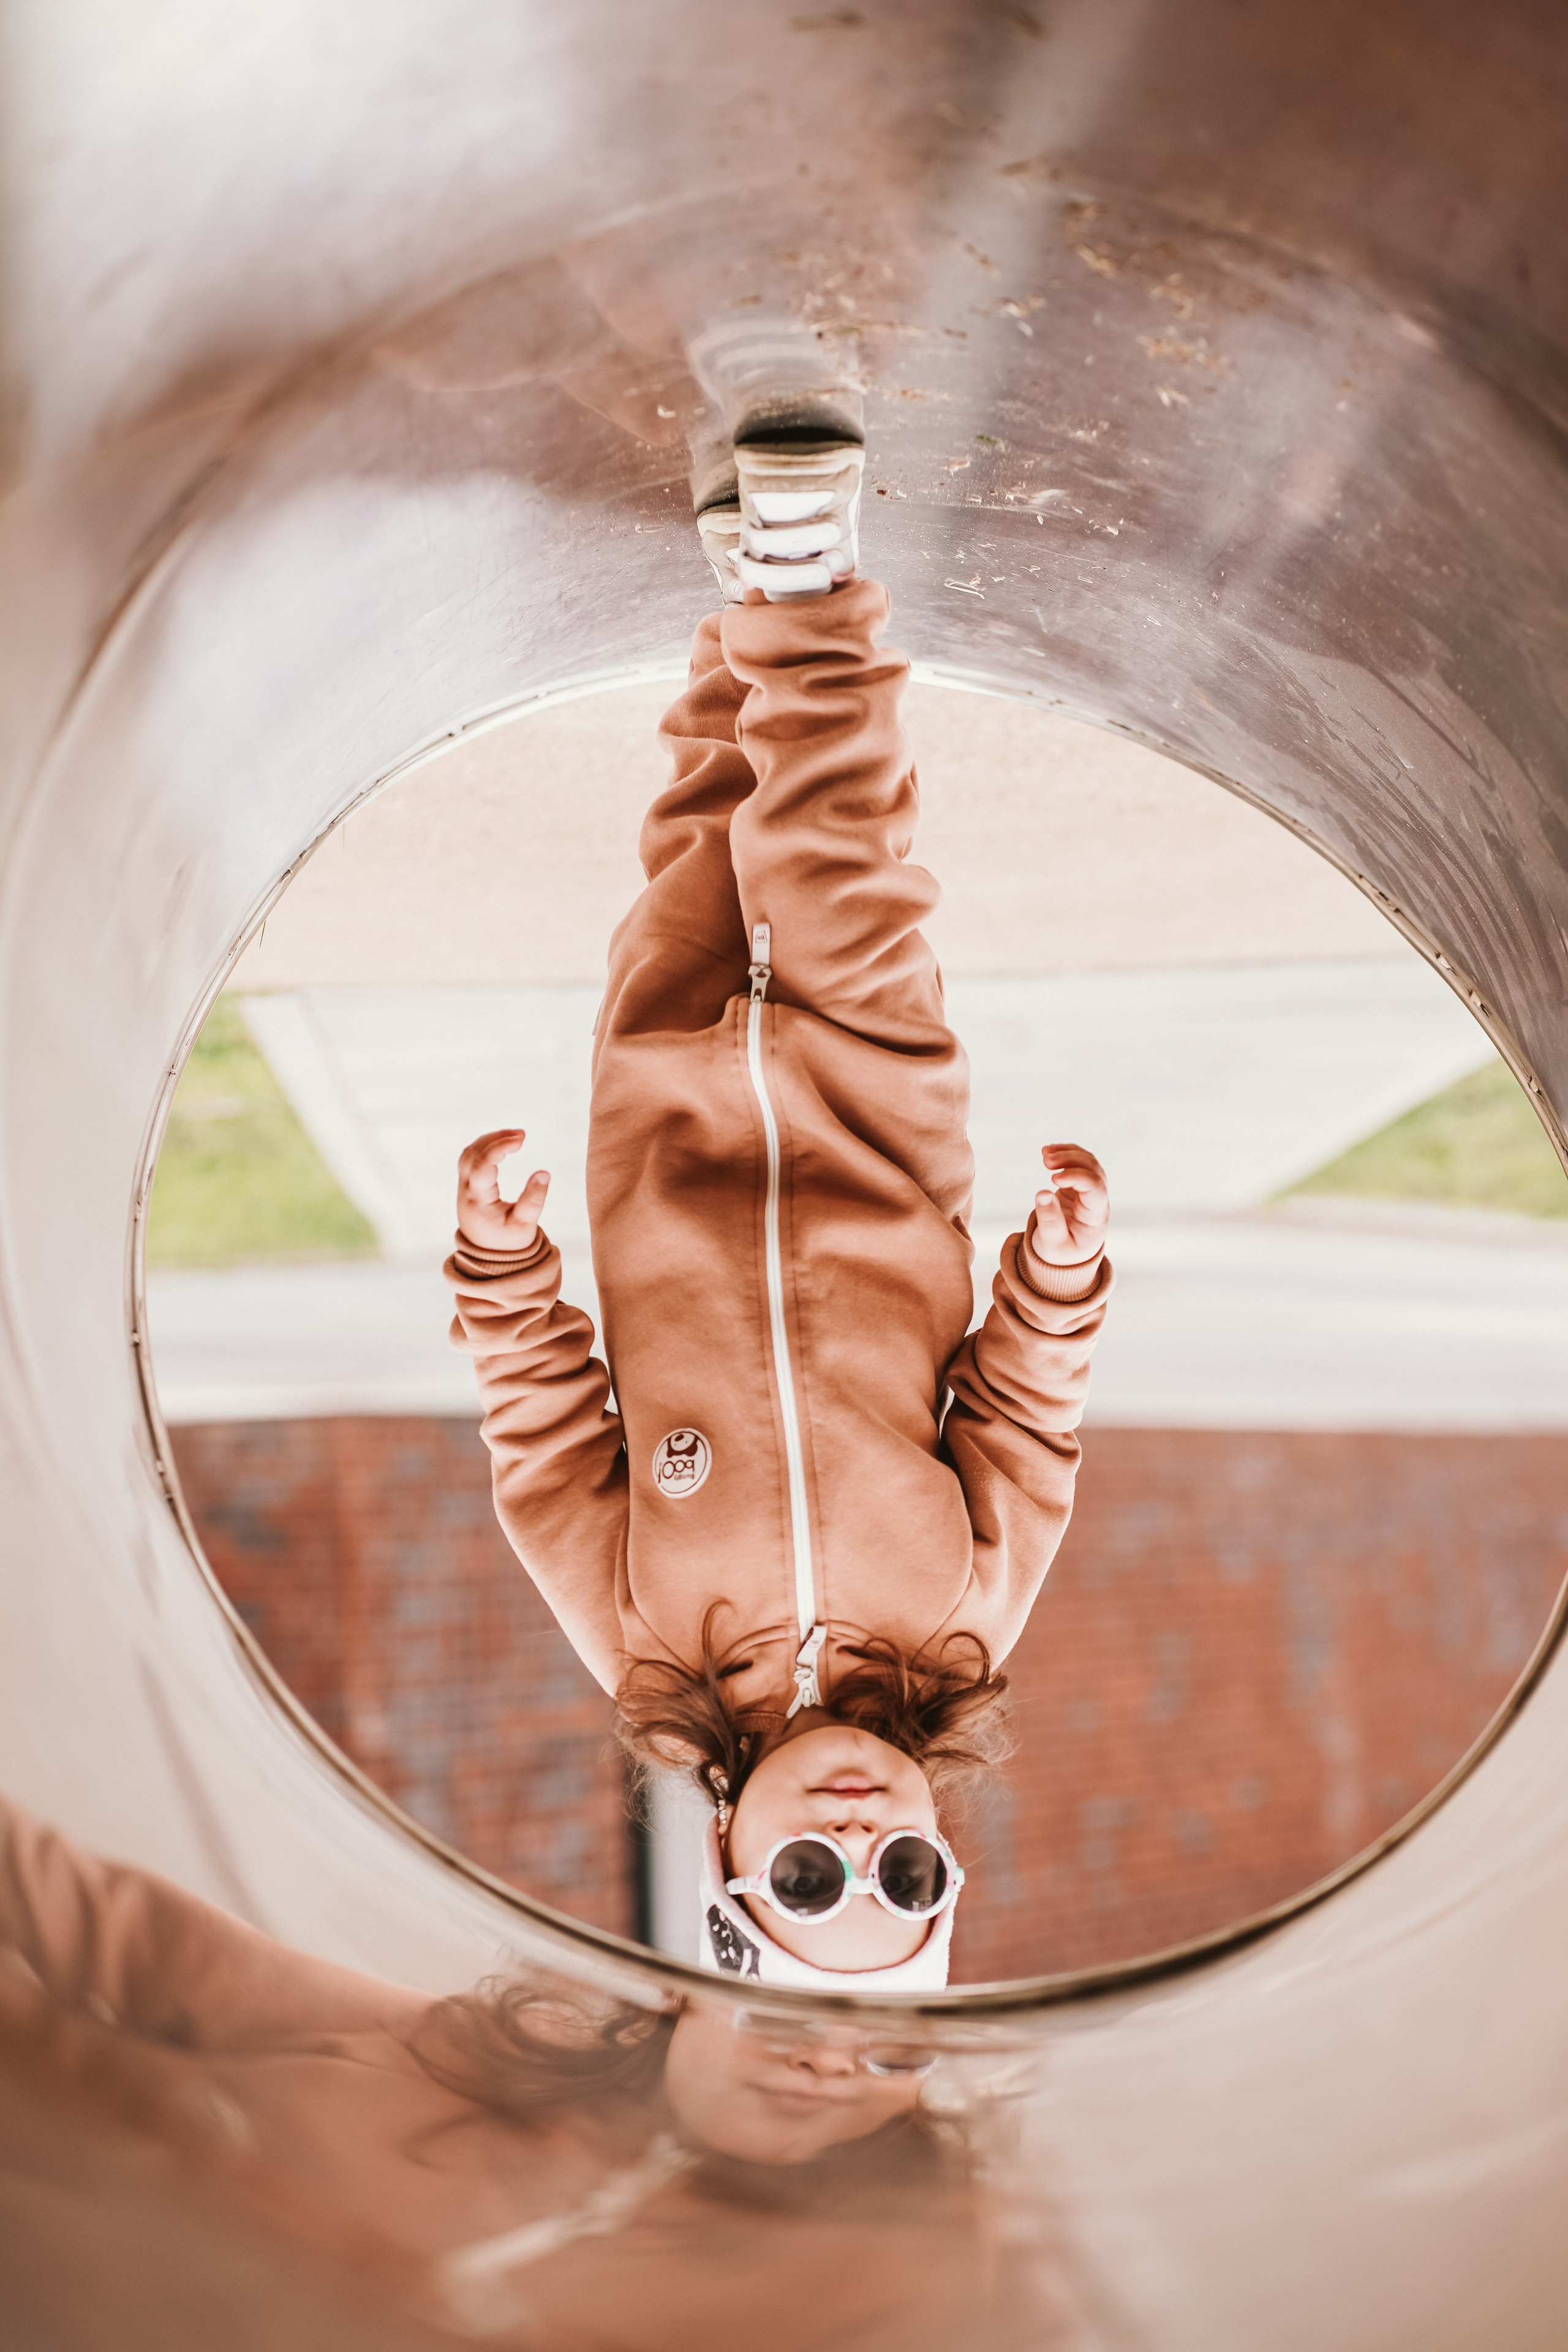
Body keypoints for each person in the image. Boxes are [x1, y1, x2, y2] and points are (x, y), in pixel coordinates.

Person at [448, 426, 1112, 1989]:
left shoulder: (647, 1657)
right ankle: (810, 583)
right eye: (908, 1874)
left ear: (729, 1853)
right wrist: (1058, 1276)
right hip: (884, 1139)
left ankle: (740, 609)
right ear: (942, 1842)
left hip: (664, 1141)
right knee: (834, 864)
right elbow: (1024, 1422)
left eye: (811, 1880)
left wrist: (501, 1259)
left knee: (701, 834)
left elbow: (543, 1446)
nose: (858, 1834)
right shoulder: (963, 1633)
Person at [0, 1792, 1057, 2348]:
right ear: (685, 1993)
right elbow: (161, 1954)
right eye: (789, 2007)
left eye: (893, 2050)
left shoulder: (886, 2281)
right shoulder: (499, 2066)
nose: (827, 2060)